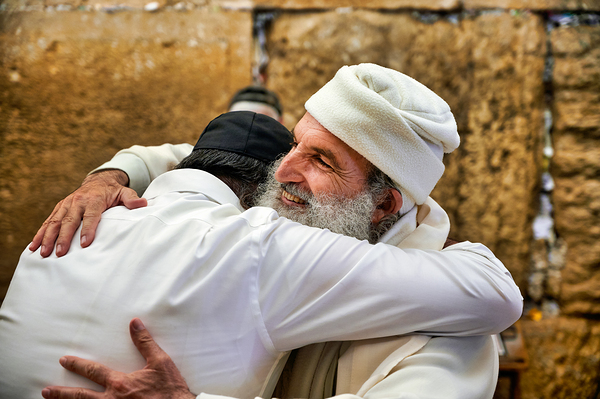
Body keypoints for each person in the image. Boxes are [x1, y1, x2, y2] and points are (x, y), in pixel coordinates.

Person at [21, 64, 522, 398]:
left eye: (321, 160)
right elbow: (205, 159)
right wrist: (110, 177)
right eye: (294, 144)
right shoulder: (302, 215)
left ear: (382, 204)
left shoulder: (449, 328)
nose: (281, 171)